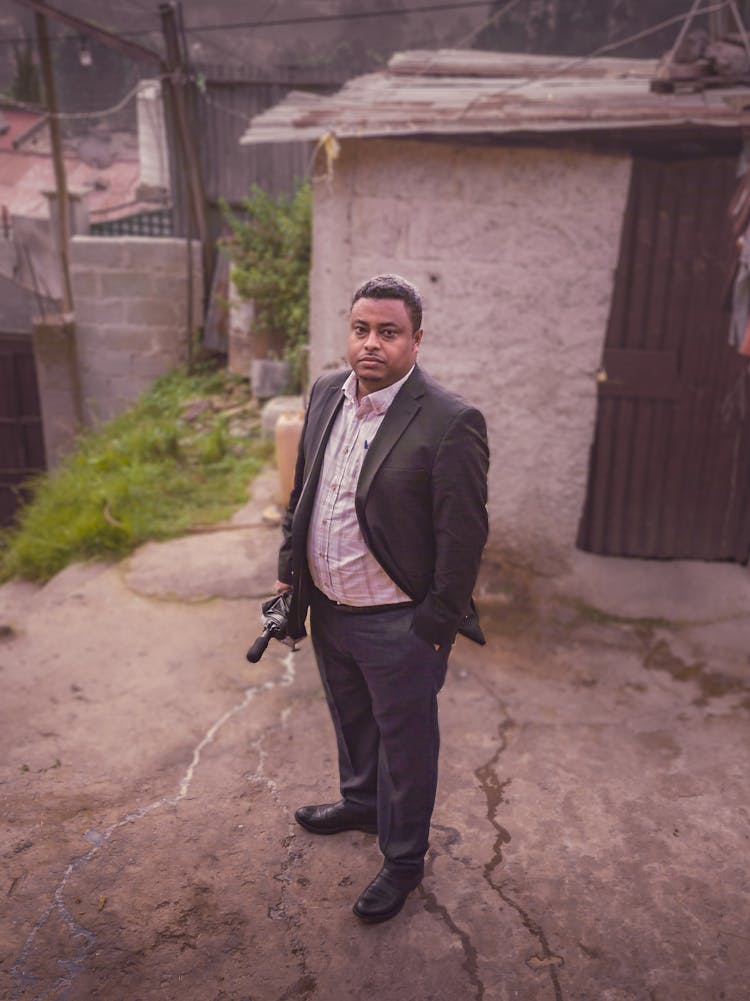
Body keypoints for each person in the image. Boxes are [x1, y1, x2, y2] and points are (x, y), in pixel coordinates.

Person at [274, 273, 489, 924]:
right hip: (332, 610)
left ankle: (402, 860)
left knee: (407, 746)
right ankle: (361, 803)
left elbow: (464, 537)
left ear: (416, 341)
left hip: (399, 623)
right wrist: (291, 575)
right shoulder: (323, 396)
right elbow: (303, 494)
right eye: (361, 329)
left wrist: (434, 626)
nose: (372, 343)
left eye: (388, 332)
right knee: (353, 721)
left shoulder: (450, 422)